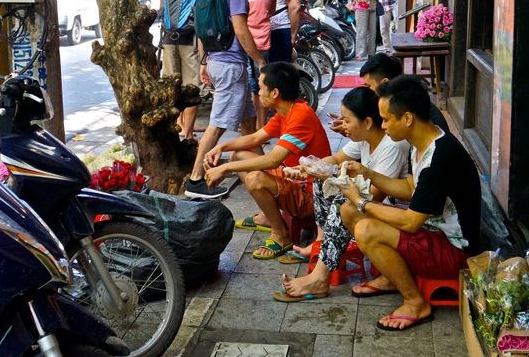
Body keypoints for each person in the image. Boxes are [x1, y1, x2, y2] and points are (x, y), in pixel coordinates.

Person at [340, 75, 481, 331]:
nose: (382, 126)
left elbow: (412, 221)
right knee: (348, 211)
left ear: (407, 118)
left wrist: (362, 203)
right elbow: (409, 188)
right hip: (433, 231)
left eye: (385, 119)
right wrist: (367, 173)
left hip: (454, 249)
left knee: (364, 227)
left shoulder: (439, 156)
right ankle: (391, 277)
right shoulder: (422, 142)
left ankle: (415, 302)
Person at [275, 85, 408, 300]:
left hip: (393, 211)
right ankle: (321, 242)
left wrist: (343, 187)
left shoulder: (391, 146)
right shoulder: (366, 138)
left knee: (342, 201)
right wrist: (307, 168)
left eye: (347, 121)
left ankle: (320, 278)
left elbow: (375, 196)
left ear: (367, 122)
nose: (342, 126)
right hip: (371, 204)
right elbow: (335, 160)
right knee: (323, 180)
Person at [204, 61, 331, 259]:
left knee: (255, 178)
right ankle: (267, 216)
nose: (258, 92)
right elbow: (255, 138)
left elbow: (272, 160)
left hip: (311, 195)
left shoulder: (301, 115)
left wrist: (225, 168)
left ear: (275, 93)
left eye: (261, 87)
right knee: (239, 154)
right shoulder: (287, 110)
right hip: (294, 178)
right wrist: (221, 147)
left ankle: (280, 235)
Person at [184, 0, 263, 200]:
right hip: (230, 65)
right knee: (218, 124)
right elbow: (240, 29)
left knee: (248, 122)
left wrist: (205, 60)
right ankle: (195, 180)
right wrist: (260, 61)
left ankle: (259, 168)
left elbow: (200, 30)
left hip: (219, 61)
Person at [160, 0, 213, 141]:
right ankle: (188, 134)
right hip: (192, 40)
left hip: (167, 38)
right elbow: (208, 16)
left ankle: (175, 130)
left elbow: (161, 8)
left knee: (170, 87)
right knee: (192, 88)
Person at [242, 0, 276, 129]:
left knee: (247, 89)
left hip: (243, 43)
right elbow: (270, 11)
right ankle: (261, 128)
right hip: (262, 42)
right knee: (261, 86)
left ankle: (250, 130)